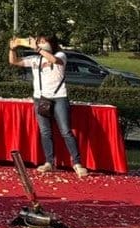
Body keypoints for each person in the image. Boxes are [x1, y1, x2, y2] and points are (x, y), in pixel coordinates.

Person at [10, 34, 88, 177]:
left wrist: (38, 48)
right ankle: (49, 162)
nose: (40, 43)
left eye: (43, 42)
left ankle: (77, 163)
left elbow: (55, 60)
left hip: (59, 97)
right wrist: (12, 49)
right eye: (39, 41)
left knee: (65, 131)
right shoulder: (35, 59)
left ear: (51, 43)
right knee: (45, 132)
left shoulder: (60, 55)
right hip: (41, 98)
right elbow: (14, 61)